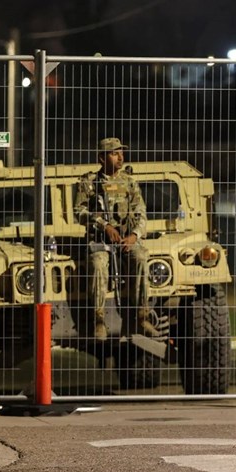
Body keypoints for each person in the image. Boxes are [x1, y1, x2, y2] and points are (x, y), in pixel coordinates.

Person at [74, 137, 153, 342]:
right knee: (98, 264)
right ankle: (98, 319)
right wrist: (103, 225)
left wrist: (134, 235)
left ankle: (142, 314)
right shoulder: (89, 183)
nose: (120, 156)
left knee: (141, 258)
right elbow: (78, 211)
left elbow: (140, 211)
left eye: (121, 152)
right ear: (102, 157)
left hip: (126, 238)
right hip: (101, 239)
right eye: (114, 153)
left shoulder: (129, 182)